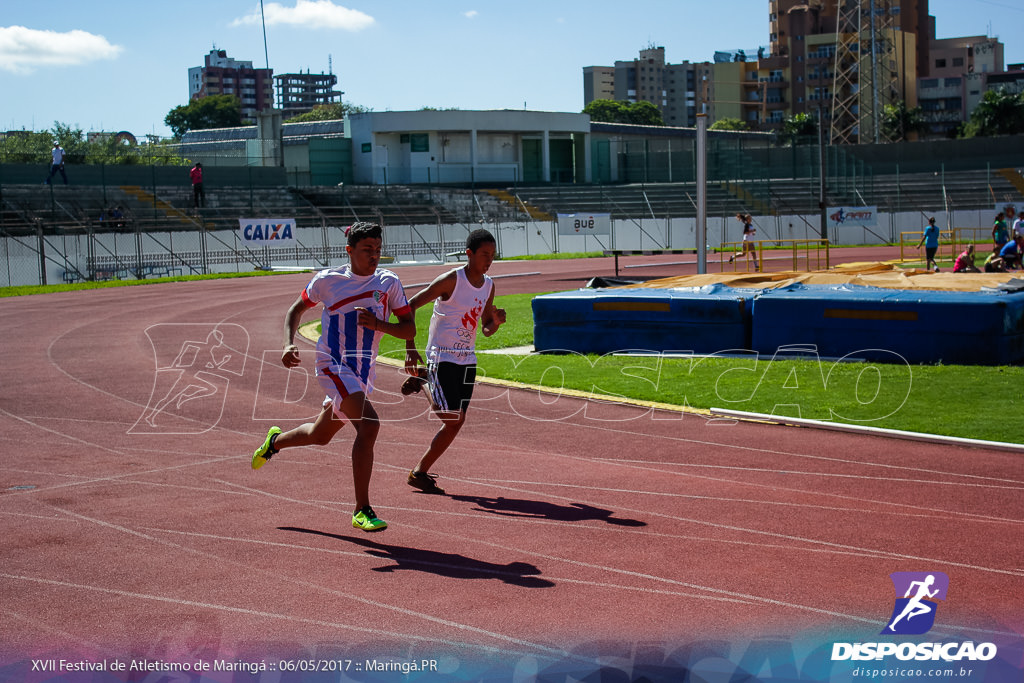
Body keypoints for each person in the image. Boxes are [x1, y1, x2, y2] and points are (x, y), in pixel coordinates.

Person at [250, 221, 416, 532]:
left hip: (363, 371)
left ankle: (274, 442)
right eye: (367, 250)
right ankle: (362, 509)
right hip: (333, 364)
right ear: (349, 250)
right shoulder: (328, 281)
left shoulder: (389, 282)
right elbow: (295, 311)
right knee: (369, 426)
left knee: (320, 435)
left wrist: (388, 332)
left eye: (378, 250)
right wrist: (288, 342)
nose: (374, 256)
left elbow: (409, 327)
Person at [401, 229, 506, 495]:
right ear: (469, 254)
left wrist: (496, 322)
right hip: (441, 354)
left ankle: (419, 473)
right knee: (449, 415)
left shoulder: (489, 285)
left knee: (455, 422)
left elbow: (484, 329)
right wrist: (410, 348)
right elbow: (410, 305)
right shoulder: (452, 280)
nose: (489, 260)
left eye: (492, 255)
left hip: (467, 359)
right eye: (484, 255)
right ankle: (424, 378)